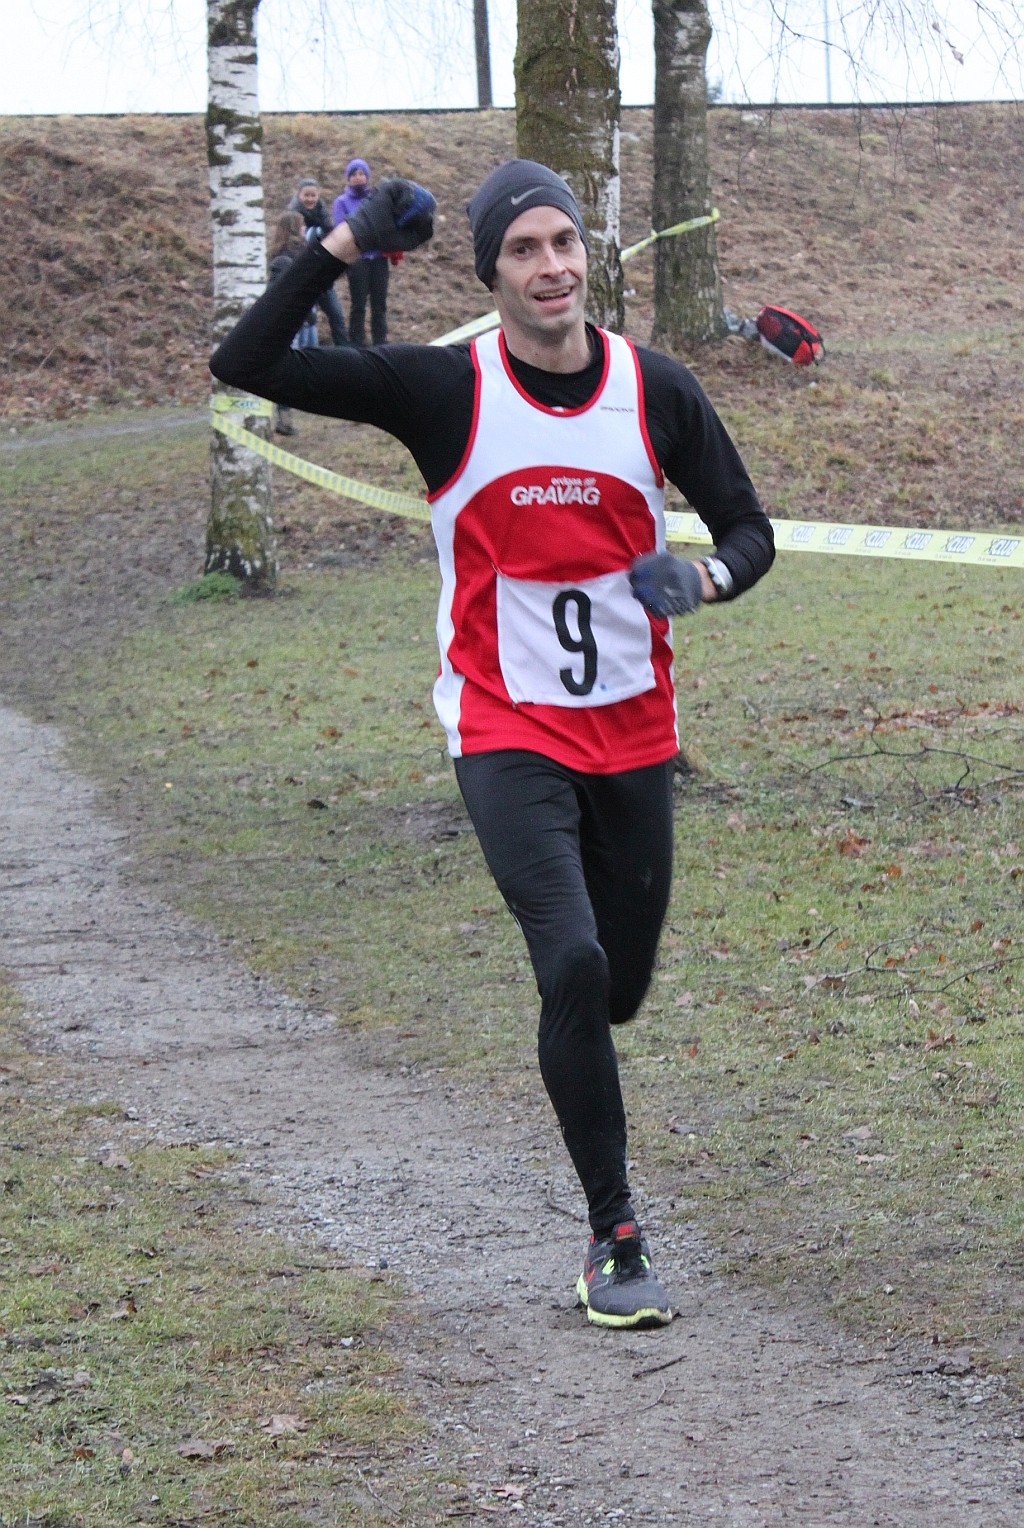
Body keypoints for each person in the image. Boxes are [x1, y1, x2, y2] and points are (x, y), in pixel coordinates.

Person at [210, 161, 775, 1329]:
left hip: (632, 731)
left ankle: (592, 1066)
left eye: (563, 243)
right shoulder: (442, 391)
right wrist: (342, 246)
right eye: (522, 250)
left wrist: (706, 577)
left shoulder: (653, 389)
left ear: (588, 258)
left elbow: (749, 527)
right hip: (503, 725)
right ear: (492, 274)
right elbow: (245, 364)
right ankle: (614, 1237)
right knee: (566, 961)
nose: (550, 267)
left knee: (613, 985)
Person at [264, 211, 319, 436]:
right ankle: (284, 418)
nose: (306, 228)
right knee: (289, 368)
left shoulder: (284, 253)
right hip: (295, 319)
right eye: (302, 224)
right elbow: (290, 291)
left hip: (303, 316)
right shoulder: (288, 257)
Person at [331, 159, 394, 346]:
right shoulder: (341, 202)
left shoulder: (375, 198)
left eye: (362, 174)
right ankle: (357, 344)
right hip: (357, 258)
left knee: (379, 305)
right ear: (348, 178)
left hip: (379, 257)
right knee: (358, 305)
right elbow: (340, 227)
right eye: (354, 174)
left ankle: (380, 343)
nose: (358, 178)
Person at [287, 177, 350, 346]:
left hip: (322, 276)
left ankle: (344, 354)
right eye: (306, 195)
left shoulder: (324, 219)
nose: (310, 199)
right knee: (304, 320)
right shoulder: (292, 219)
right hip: (302, 277)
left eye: (313, 195)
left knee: (336, 315)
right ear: (299, 195)